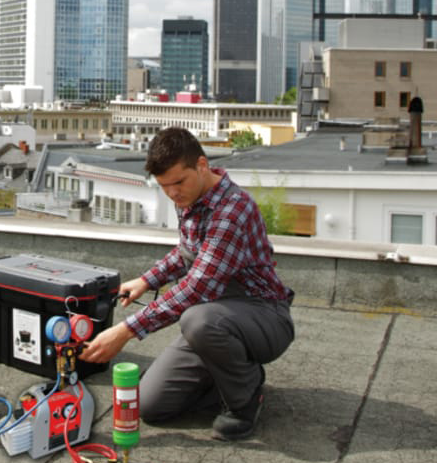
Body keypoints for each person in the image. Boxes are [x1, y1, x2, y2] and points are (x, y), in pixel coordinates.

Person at [79, 126, 294, 440]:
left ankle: (245, 395)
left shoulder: (231, 210)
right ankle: (225, 374)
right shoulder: (191, 199)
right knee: (149, 406)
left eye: (179, 182)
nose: (174, 194)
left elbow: (198, 287)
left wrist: (126, 331)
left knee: (197, 319)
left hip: (262, 316)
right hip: (217, 318)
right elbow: (187, 254)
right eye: (165, 187)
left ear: (202, 165)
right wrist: (146, 280)